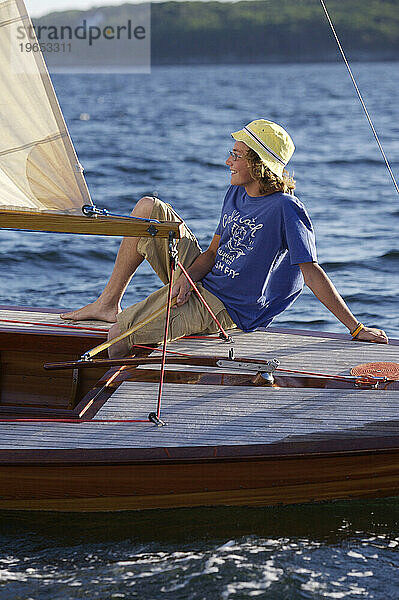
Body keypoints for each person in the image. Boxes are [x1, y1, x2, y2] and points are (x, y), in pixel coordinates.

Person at [61, 119, 388, 355]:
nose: (227, 161)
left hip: (226, 306)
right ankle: (107, 303)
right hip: (205, 280)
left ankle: (122, 389)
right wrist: (186, 280)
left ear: (259, 165)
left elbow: (311, 271)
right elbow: (213, 253)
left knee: (120, 334)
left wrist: (356, 328)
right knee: (149, 207)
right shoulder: (235, 195)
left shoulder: (286, 208)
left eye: (237, 155)